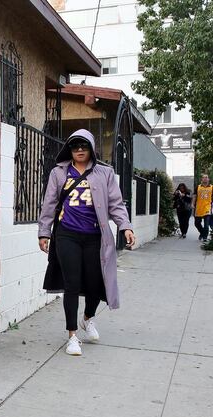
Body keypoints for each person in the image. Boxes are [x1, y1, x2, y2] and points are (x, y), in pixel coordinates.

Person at [38, 129, 135, 356]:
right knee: (71, 284)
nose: (79, 150)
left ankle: (88, 318)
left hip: (95, 237)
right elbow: (49, 203)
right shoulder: (59, 173)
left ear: (91, 148)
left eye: (83, 146)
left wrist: (126, 226)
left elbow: (116, 203)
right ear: (69, 149)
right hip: (66, 235)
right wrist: (44, 232)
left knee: (94, 282)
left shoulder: (105, 173)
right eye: (75, 146)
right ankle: (72, 335)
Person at [192, 174, 212, 241]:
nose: (205, 178)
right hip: (199, 207)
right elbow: (194, 196)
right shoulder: (198, 187)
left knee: (206, 224)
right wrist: (192, 204)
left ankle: (205, 237)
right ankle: (202, 232)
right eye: (203, 177)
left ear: (208, 179)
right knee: (197, 223)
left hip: (207, 207)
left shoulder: (212, 187)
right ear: (202, 179)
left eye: (206, 177)